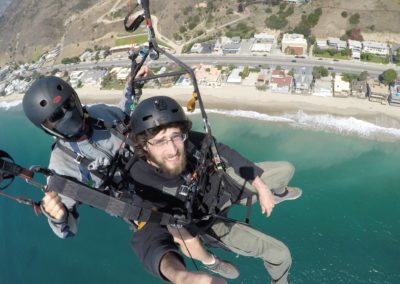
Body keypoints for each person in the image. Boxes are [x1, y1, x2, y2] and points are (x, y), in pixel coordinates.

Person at [22, 75, 231, 284]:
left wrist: (133, 85)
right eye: (56, 115)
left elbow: (125, 115)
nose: (67, 114)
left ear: (76, 99)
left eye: (68, 105)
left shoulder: (99, 113)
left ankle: (219, 231)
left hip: (156, 169)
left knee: (201, 172)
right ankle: (189, 273)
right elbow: (67, 230)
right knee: (153, 240)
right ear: (46, 127)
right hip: (138, 205)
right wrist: (57, 216)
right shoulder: (61, 164)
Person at [128, 96, 301, 284]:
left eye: (175, 136)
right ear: (144, 145)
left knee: (286, 169)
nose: (172, 149)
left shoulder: (189, 141)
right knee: (280, 254)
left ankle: (275, 194)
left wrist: (261, 187)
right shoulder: (140, 184)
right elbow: (150, 239)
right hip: (209, 224)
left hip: (222, 188)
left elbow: (223, 151)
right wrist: (181, 275)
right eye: (160, 141)